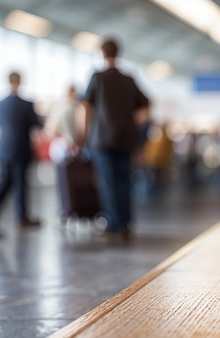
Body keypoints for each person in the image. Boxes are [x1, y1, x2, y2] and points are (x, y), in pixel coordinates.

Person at [82, 38, 149, 241]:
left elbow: (86, 107)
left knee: (108, 181)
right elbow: (145, 106)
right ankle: (126, 223)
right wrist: (132, 123)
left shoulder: (97, 77)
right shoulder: (129, 79)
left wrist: (84, 133)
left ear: (102, 53)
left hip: (102, 139)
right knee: (124, 180)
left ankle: (113, 225)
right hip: (126, 138)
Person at [0, 72, 43, 234]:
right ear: (20, 81)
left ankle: (22, 215)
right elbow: (37, 125)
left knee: (6, 182)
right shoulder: (26, 104)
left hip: (4, 148)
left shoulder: (0, 104)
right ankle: (21, 216)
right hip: (21, 148)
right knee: (19, 184)